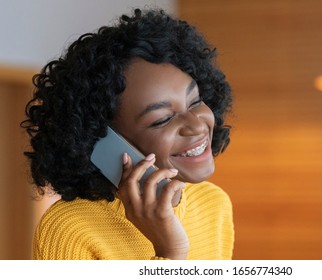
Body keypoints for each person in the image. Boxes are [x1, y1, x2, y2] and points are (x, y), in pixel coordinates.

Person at [21, 8, 234, 260]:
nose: (197, 126)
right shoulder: (70, 228)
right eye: (163, 119)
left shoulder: (213, 204)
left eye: (195, 101)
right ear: (102, 142)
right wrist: (170, 253)